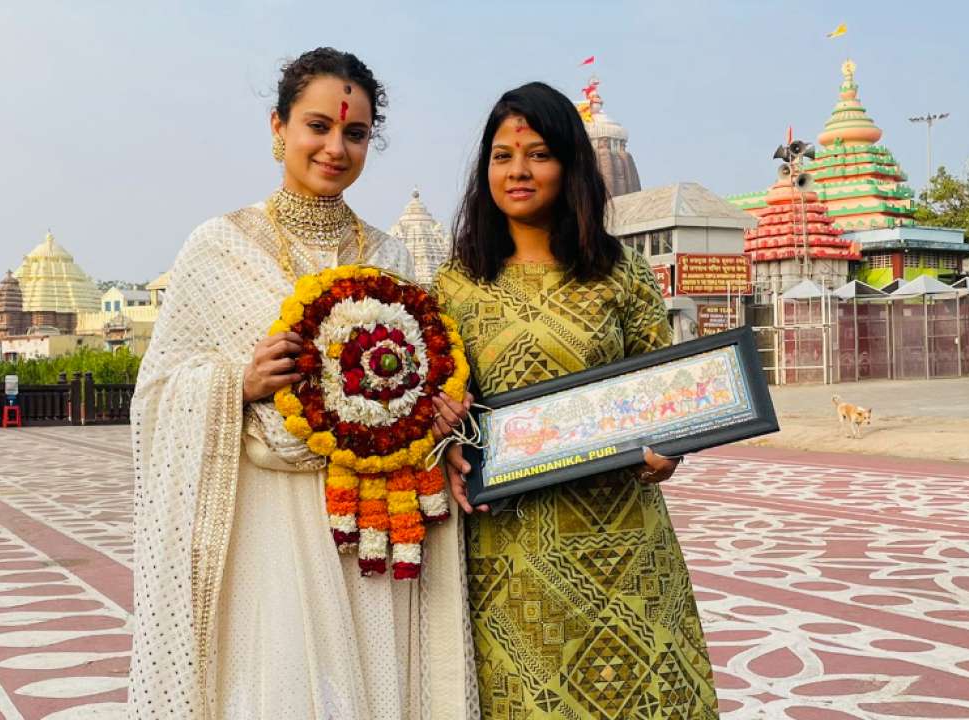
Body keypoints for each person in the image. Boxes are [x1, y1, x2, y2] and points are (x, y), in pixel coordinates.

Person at [128, 48, 477, 719]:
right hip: (271, 524)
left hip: (374, 521)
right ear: (278, 127)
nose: (334, 148)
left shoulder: (392, 257)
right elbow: (158, 393)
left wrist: (439, 414)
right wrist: (237, 381)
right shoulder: (221, 247)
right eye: (317, 126)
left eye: (354, 133)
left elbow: (430, 384)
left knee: (376, 685)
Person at [435, 82, 718, 719]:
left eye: (538, 153)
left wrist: (669, 452)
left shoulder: (621, 276)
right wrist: (444, 434)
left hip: (623, 540)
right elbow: (439, 401)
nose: (518, 171)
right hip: (512, 553)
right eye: (503, 156)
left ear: (569, 164)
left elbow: (667, 395)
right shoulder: (454, 285)